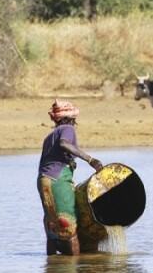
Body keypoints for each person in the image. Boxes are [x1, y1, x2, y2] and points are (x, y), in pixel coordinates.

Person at [37, 100, 104, 256]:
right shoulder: (67, 129)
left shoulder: (49, 136)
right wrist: (90, 159)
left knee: (52, 225)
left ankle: (52, 267)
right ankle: (75, 267)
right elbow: (64, 144)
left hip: (44, 180)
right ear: (72, 118)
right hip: (57, 180)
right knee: (69, 223)